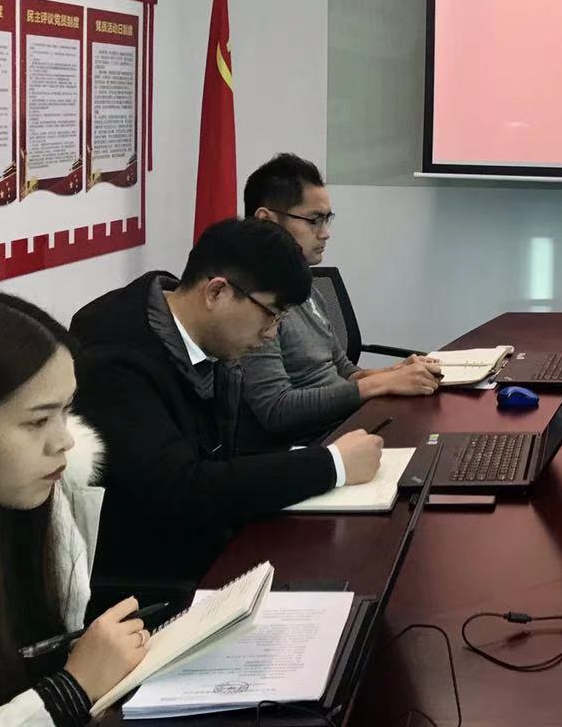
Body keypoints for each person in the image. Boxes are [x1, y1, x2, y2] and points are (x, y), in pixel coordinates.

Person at [70, 217, 384, 598]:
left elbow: (223, 459)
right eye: (270, 313)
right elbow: (181, 489)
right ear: (216, 292)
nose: (272, 333)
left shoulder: (202, 334)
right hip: (151, 583)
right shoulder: (113, 359)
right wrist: (331, 464)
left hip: (212, 544)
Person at [0, 291, 150, 726]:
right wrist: (70, 691)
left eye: (66, 411)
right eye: (38, 420)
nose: (64, 441)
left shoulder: (43, 506)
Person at [236, 153, 441, 447]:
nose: (325, 234)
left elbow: (342, 371)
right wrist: (379, 384)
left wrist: (395, 373)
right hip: (310, 447)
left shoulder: (306, 287)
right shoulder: (250, 301)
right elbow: (276, 410)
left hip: (345, 424)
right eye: (314, 220)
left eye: (327, 219)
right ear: (266, 220)